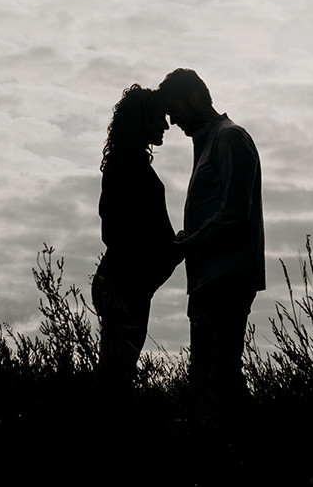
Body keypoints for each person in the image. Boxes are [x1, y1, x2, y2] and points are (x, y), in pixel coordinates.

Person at [158, 68, 264, 403]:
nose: (173, 121)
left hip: (226, 278)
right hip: (209, 278)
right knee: (213, 379)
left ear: (195, 96)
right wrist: (185, 238)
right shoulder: (209, 142)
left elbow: (233, 214)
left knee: (216, 378)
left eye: (175, 110)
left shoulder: (229, 138)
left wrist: (185, 245)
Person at [92, 84, 182, 386]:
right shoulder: (127, 163)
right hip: (124, 282)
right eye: (158, 117)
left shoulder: (129, 161)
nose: (166, 125)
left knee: (119, 371)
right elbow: (118, 229)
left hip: (127, 281)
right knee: (117, 374)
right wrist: (172, 248)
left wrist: (172, 247)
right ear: (141, 120)